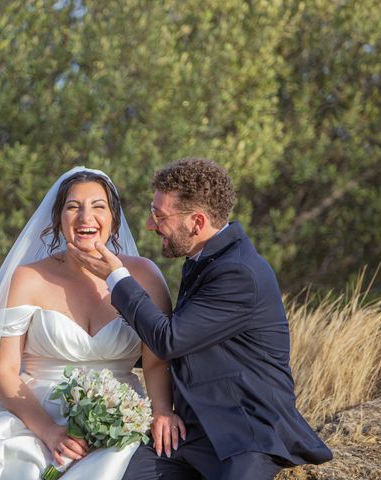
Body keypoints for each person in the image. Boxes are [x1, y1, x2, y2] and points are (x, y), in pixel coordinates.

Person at [0, 167, 184, 480]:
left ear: (113, 218)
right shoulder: (29, 278)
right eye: (73, 207)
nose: (86, 217)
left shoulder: (145, 276)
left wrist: (161, 411)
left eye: (98, 206)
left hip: (120, 415)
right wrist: (50, 432)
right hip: (36, 413)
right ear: (58, 219)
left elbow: (156, 362)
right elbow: (3, 372)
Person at [68, 158, 333, 480]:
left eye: (159, 216)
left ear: (197, 221)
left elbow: (169, 341)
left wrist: (116, 278)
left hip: (246, 436)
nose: (151, 226)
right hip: (192, 433)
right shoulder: (204, 258)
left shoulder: (238, 272)